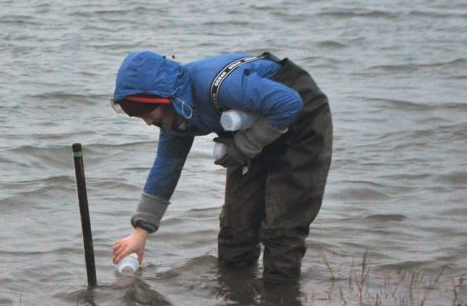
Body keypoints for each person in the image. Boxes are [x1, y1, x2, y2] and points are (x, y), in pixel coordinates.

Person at [110, 50, 332, 285]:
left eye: (146, 112)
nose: (147, 122)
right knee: (236, 230)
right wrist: (141, 232)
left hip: (299, 117)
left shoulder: (220, 87)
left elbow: (289, 103)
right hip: (249, 125)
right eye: (136, 114)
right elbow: (166, 167)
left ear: (164, 98)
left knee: (281, 231)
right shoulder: (175, 114)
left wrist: (243, 146)